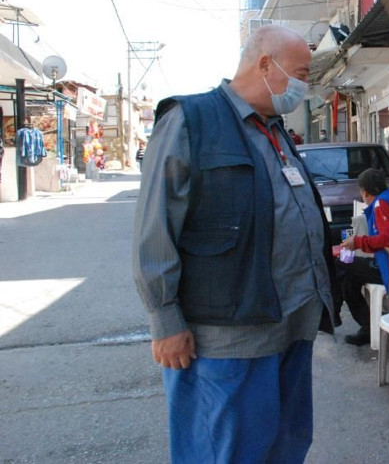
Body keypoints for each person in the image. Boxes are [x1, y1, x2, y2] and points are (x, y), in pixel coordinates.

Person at [132, 25, 336, 463]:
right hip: (229, 338)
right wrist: (164, 319)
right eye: (301, 73)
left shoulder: (275, 131)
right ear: (266, 64)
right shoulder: (190, 120)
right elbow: (155, 228)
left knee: (286, 444)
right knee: (225, 451)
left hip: (292, 325)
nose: (305, 86)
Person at [336, 168, 389, 346]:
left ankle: (334, 312)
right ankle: (367, 327)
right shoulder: (385, 200)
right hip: (386, 262)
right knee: (348, 279)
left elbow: (387, 238)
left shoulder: (382, 204)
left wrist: (357, 242)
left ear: (364, 191)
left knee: (342, 262)